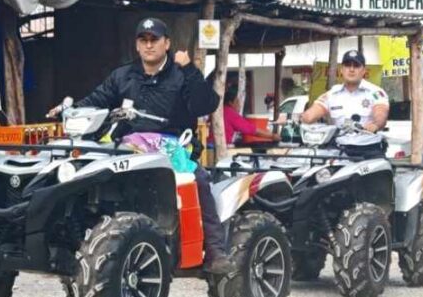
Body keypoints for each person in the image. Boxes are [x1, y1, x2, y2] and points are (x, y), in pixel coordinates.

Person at [53, 17, 234, 273]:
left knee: (197, 179)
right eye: (143, 40)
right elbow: (97, 99)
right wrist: (67, 109)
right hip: (129, 145)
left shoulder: (181, 74)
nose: (149, 45)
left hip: (174, 146)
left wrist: (190, 69)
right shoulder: (123, 75)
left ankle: (216, 250)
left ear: (167, 43)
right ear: (137, 45)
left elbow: (206, 104)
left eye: (154, 40)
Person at [300, 49, 389, 159]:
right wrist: (292, 118)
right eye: (347, 65)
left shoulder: (375, 92)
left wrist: (375, 125)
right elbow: (309, 116)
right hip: (339, 150)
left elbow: (381, 114)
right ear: (341, 70)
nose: (351, 70)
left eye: (356, 66)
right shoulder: (332, 94)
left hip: (368, 150)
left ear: (364, 71)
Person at [216, 87, 280, 149]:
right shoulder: (230, 113)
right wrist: (272, 136)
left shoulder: (219, 111)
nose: (239, 105)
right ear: (230, 103)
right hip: (219, 147)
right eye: (237, 102)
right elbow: (251, 129)